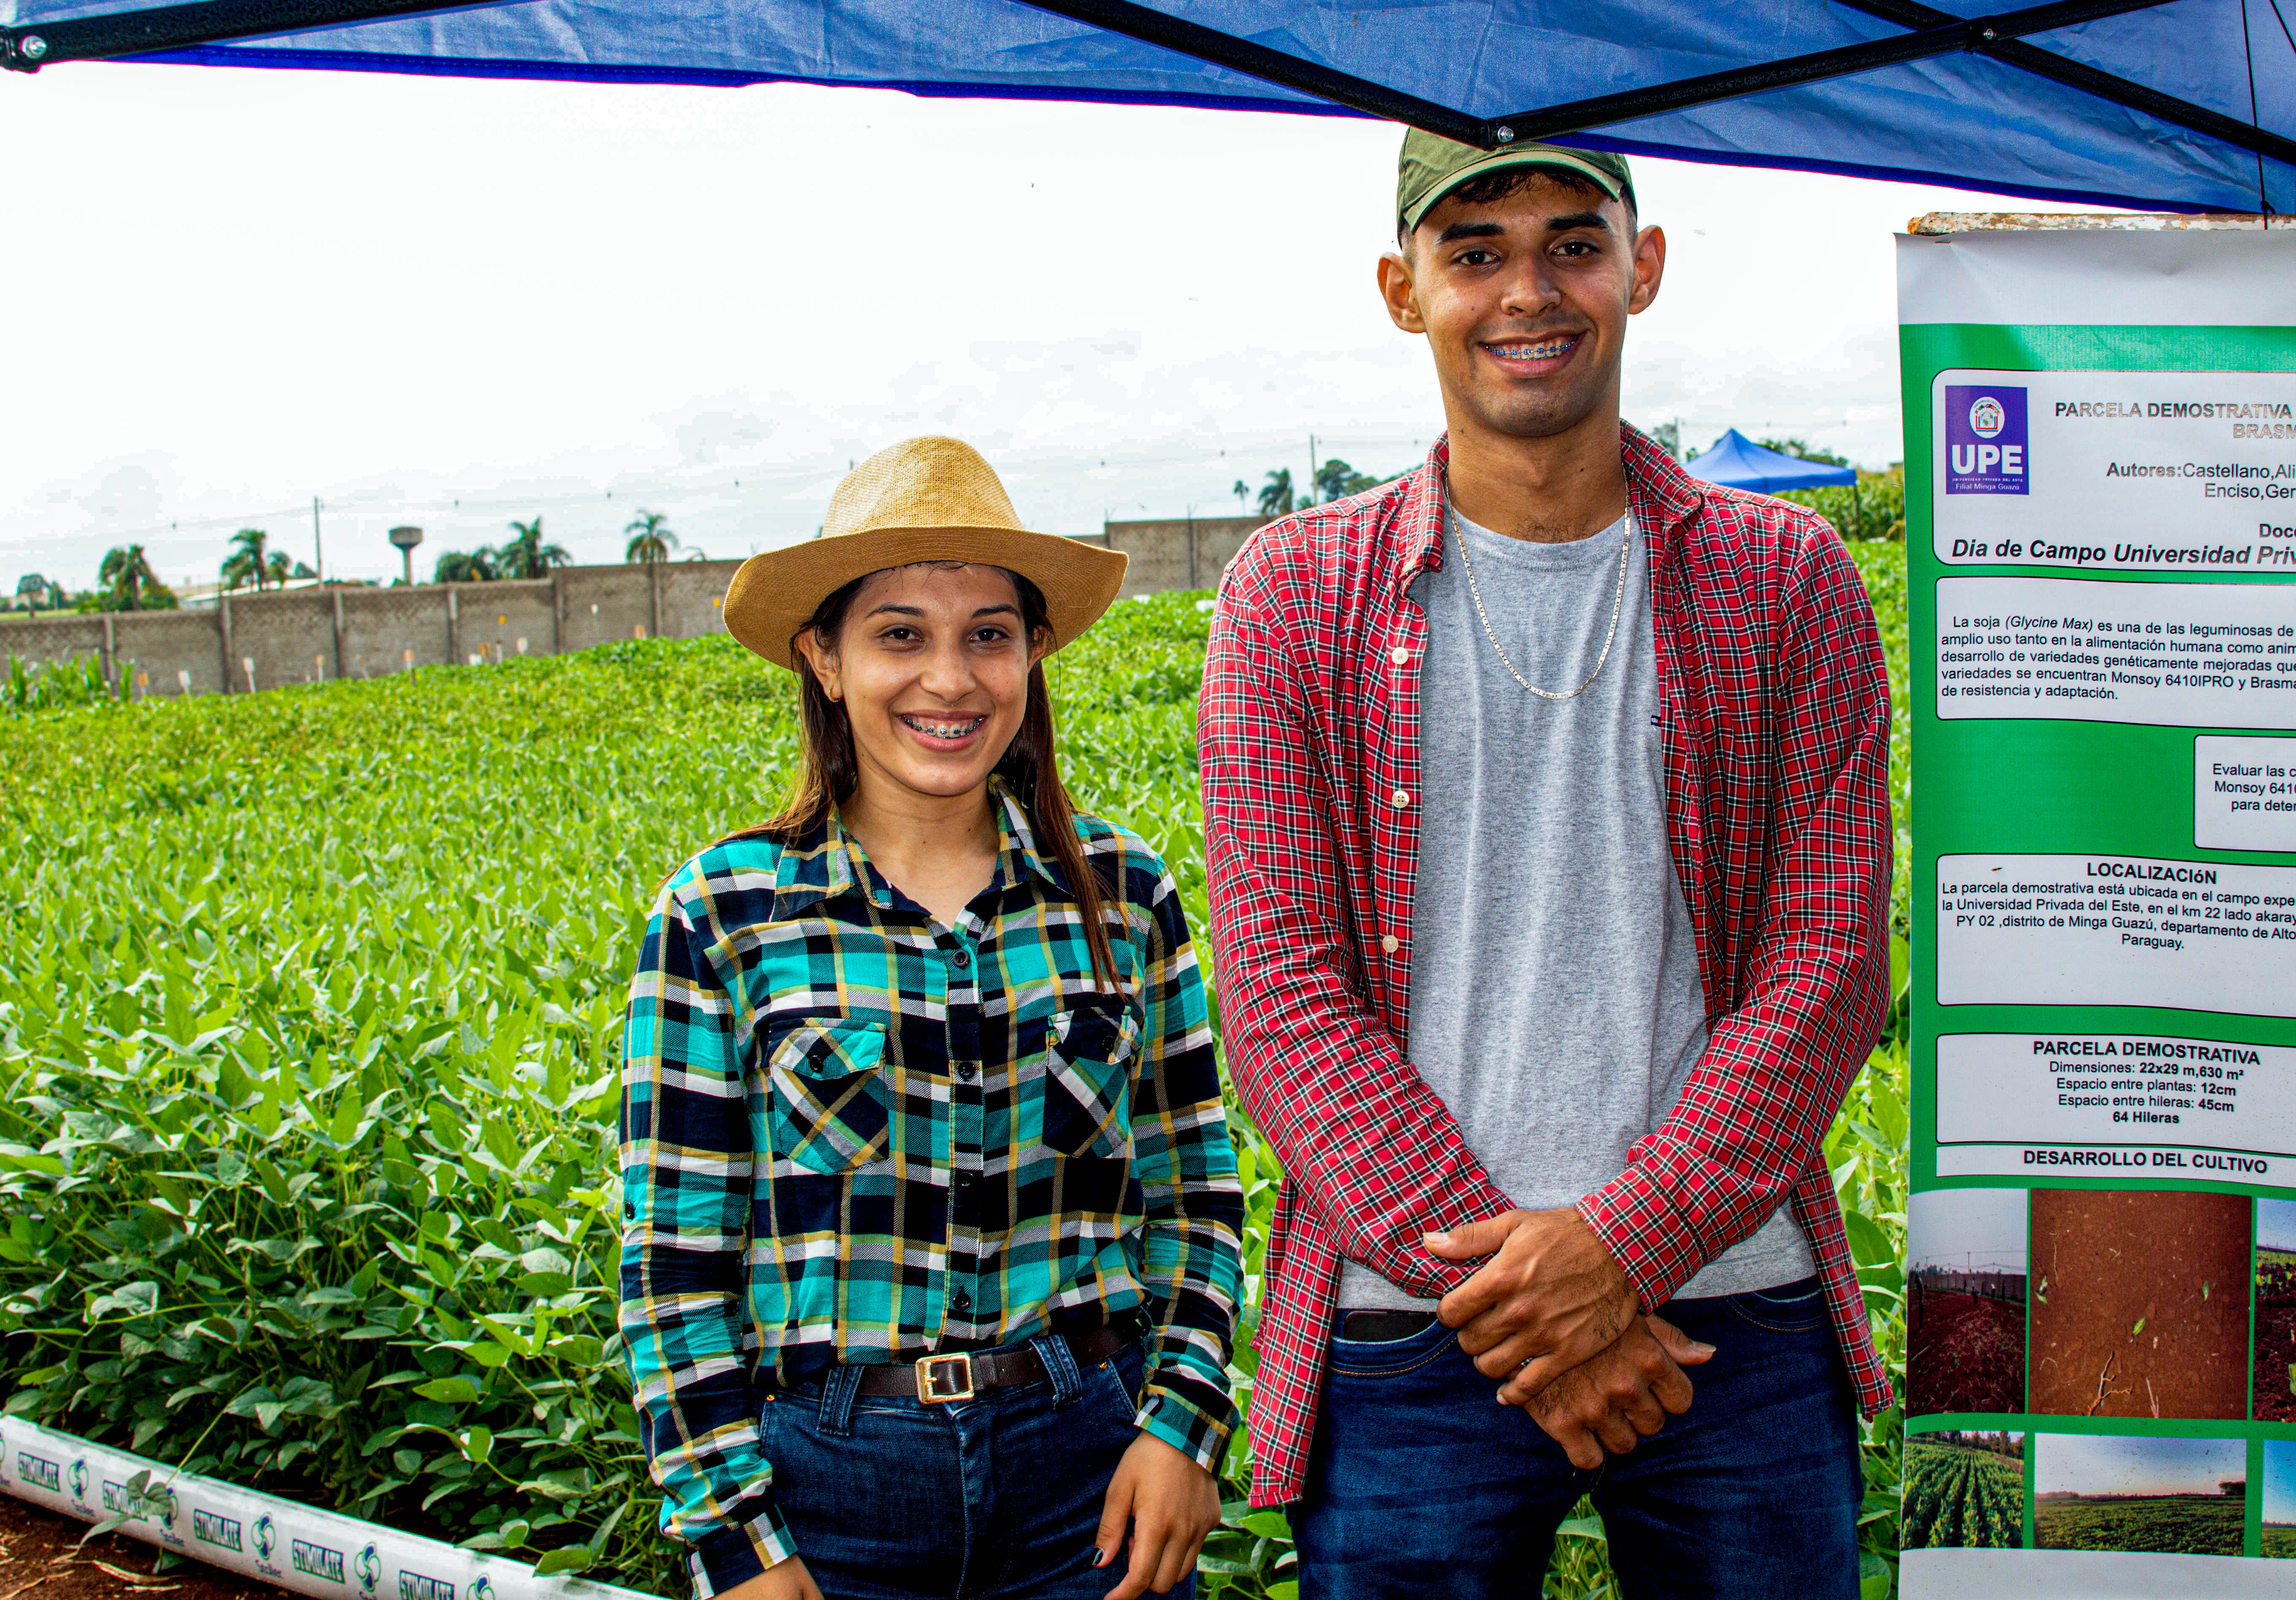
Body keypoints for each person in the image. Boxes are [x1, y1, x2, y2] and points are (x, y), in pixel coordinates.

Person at [1197, 131, 1893, 1597]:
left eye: (1574, 242)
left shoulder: (1789, 582)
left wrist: (1625, 1249)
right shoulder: (1293, 595)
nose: (1530, 290)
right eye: (1475, 254)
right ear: (1405, 291)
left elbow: (1826, 969)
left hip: (1731, 1311)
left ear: (1644, 267)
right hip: (1414, 1326)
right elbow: (1279, 994)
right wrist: (1534, 1296)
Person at [620, 436, 1242, 1600]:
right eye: (899, 634)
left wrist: (1184, 1426)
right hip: (828, 1484)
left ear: (1032, 653)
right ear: (823, 657)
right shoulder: (725, 916)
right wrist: (735, 1544)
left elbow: (1197, 1196)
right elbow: (673, 1268)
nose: (950, 681)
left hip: (1089, 1475)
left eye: (988, 635)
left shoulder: (1125, 897)